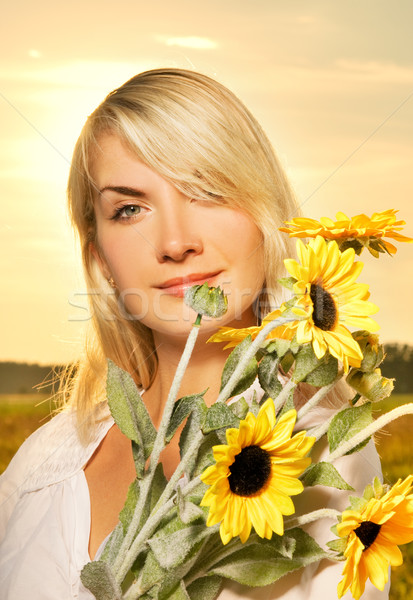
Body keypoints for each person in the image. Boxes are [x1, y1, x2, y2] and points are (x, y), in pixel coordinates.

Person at [0, 69, 388, 599]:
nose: (176, 241)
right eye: (130, 209)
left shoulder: (327, 470)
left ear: (266, 216)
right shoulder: (43, 463)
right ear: (101, 258)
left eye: (206, 190)